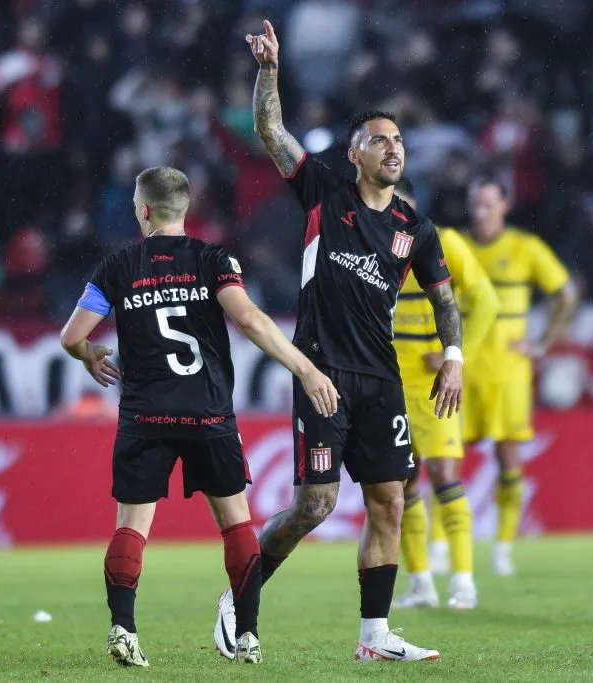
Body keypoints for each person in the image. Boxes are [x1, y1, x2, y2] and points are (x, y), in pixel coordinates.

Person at [214, 20, 463, 663]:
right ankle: (240, 597)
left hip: (381, 377)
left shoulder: (416, 227)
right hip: (322, 370)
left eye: (399, 139)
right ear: (353, 154)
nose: (392, 147)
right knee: (316, 505)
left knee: (390, 500)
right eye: (378, 140)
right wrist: (269, 71)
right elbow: (271, 132)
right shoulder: (325, 189)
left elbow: (442, 298)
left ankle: (375, 638)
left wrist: (454, 357)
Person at [59, 166, 339, 667]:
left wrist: (89, 354)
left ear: (143, 210)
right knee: (235, 523)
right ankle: (248, 635)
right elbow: (249, 318)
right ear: (185, 210)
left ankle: (124, 628)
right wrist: (306, 369)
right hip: (206, 410)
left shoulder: (118, 266)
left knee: (133, 525)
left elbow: (70, 335)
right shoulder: (213, 259)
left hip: (145, 414)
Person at [457, 176, 578, 577]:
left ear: (504, 205)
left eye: (488, 204)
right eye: (476, 203)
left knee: (508, 456)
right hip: (464, 366)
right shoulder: (456, 246)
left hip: (509, 369)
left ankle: (504, 547)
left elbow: (567, 294)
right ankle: (443, 545)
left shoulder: (524, 249)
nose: (481, 211)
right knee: (446, 458)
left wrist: (543, 343)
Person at [389, 178, 498, 611]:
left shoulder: (443, 240)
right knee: (403, 483)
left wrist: (455, 355)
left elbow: (485, 302)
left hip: (434, 385)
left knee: (445, 475)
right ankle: (421, 584)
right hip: (388, 381)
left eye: (402, 205)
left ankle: (464, 582)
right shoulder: (371, 244)